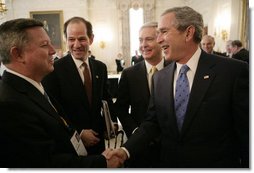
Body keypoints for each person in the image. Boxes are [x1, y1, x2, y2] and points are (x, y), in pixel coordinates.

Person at [108, 6, 249, 168]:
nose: (159, 39)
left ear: (188, 33)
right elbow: (152, 123)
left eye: (164, 32)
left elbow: (246, 133)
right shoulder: (160, 78)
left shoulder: (232, 71)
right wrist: (125, 150)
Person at [0, 18, 123, 168]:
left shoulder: (33, 87)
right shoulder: (9, 104)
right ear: (18, 54)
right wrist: (102, 162)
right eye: (45, 45)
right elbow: (44, 163)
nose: (53, 50)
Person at [42, 16, 117, 156]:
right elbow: (54, 110)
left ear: (91, 39)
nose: (76, 45)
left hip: (98, 141)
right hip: (70, 145)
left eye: (82, 39)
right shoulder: (54, 70)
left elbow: (106, 98)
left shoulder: (100, 67)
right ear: (66, 40)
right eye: (71, 39)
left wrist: (111, 123)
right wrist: (79, 132)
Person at [114, 22, 169, 167]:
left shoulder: (174, 68)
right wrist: (134, 130)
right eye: (140, 40)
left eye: (149, 39)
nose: (143, 45)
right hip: (140, 148)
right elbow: (120, 108)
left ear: (161, 40)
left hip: (169, 146)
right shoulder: (129, 74)